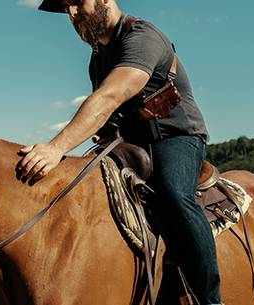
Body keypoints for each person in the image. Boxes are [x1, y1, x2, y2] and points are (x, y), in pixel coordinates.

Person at [15, 0, 221, 304]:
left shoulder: (142, 37)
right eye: (65, 9)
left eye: (77, 2)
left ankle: (210, 299)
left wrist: (55, 148)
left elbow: (110, 96)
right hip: (133, 143)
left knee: (174, 193)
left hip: (176, 137)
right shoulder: (98, 58)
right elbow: (110, 116)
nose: (71, 14)